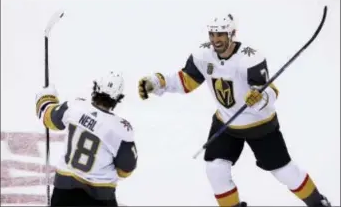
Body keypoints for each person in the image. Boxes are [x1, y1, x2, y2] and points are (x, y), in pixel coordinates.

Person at [138, 13, 331, 207]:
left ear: (232, 34)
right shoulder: (203, 55)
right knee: (215, 169)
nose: (215, 40)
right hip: (226, 123)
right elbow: (185, 81)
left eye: (220, 34)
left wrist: (260, 98)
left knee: (284, 171)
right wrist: (157, 82)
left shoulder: (250, 57)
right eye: (212, 34)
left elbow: (270, 91)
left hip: (260, 126)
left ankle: (318, 202)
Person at [36, 71, 138, 206]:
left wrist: (46, 97)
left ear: (96, 88)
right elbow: (125, 169)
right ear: (117, 98)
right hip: (100, 197)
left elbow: (47, 117)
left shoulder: (74, 107)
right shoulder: (121, 130)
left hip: (64, 191)